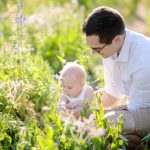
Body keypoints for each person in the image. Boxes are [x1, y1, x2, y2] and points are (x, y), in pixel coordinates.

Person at [82, 6, 150, 139]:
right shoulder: (111, 48)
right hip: (138, 106)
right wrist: (82, 104)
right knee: (98, 124)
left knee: (110, 121)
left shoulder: (144, 61)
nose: (94, 53)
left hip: (143, 108)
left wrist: (94, 115)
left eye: (96, 49)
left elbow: (136, 110)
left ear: (117, 39)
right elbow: (113, 93)